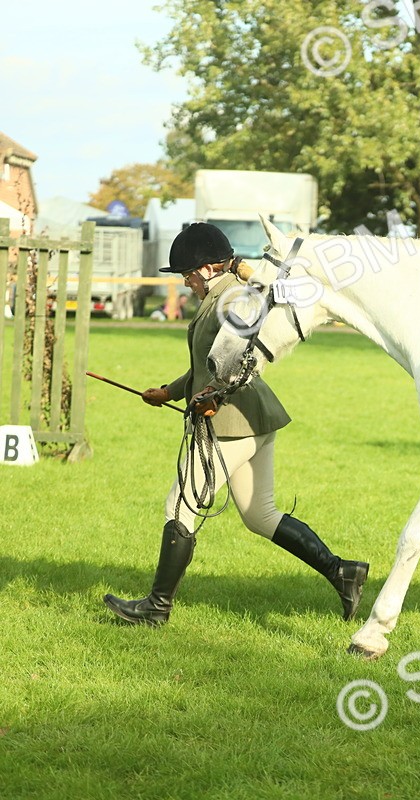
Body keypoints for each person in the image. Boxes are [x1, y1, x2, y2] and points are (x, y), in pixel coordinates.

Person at [104, 223, 369, 627]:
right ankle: (343, 572)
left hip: (230, 420)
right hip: (254, 419)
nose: (186, 283)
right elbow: (209, 362)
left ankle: (156, 608)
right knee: (260, 515)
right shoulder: (222, 295)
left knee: (181, 504)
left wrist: (210, 397)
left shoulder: (231, 298)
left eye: (188, 275)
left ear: (209, 268)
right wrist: (170, 391)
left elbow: (238, 361)